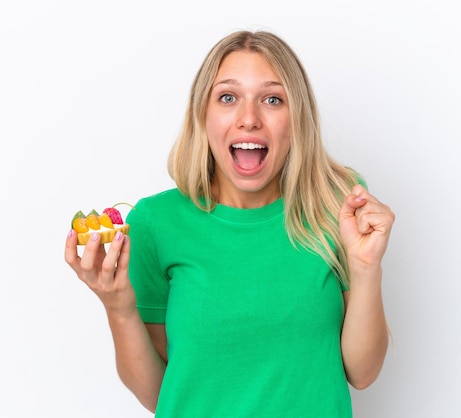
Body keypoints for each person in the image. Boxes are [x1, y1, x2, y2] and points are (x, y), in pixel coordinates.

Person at [65, 29, 395, 417]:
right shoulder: (156, 223)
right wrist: (118, 306)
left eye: (272, 99)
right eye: (228, 97)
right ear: (203, 114)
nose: (249, 119)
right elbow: (162, 395)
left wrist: (365, 267)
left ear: (297, 118)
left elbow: (362, 372)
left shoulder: (335, 207)